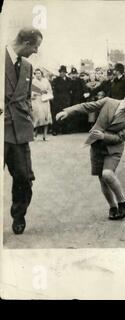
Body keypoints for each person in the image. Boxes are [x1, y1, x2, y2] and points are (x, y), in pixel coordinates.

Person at [55, 85, 125, 220]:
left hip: (114, 149)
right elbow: (87, 106)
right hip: (97, 146)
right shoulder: (108, 102)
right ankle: (112, 207)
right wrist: (68, 111)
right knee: (102, 180)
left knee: (107, 174)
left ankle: (122, 201)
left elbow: (120, 138)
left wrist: (103, 136)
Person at [4, 27, 43, 234]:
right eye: (35, 46)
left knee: (25, 178)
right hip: (2, 128)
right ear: (26, 43)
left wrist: (28, 115)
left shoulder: (28, 67)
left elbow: (26, 97)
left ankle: (18, 215)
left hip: (20, 130)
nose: (36, 51)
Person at [31, 68, 53, 141]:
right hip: (36, 100)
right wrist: (36, 93)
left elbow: (50, 90)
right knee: (37, 117)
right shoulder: (33, 82)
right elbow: (30, 91)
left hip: (45, 100)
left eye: (39, 73)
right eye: (36, 73)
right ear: (34, 74)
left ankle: (45, 135)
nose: (38, 75)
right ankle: (34, 135)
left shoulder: (46, 81)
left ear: (41, 74)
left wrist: (46, 92)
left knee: (46, 117)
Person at [51, 65, 72, 135]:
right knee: (57, 115)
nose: (61, 73)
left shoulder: (69, 80)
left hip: (66, 100)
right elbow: (54, 91)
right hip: (58, 100)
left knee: (65, 114)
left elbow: (71, 90)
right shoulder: (56, 80)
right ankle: (55, 130)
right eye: (60, 72)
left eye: (63, 72)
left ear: (65, 73)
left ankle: (65, 130)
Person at [69, 67, 90, 132]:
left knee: (81, 114)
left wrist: (85, 95)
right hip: (72, 100)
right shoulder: (69, 81)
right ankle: (74, 128)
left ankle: (82, 128)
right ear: (71, 74)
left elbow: (85, 89)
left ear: (77, 74)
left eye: (75, 74)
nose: (74, 75)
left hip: (80, 99)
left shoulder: (80, 80)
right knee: (73, 114)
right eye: (72, 74)